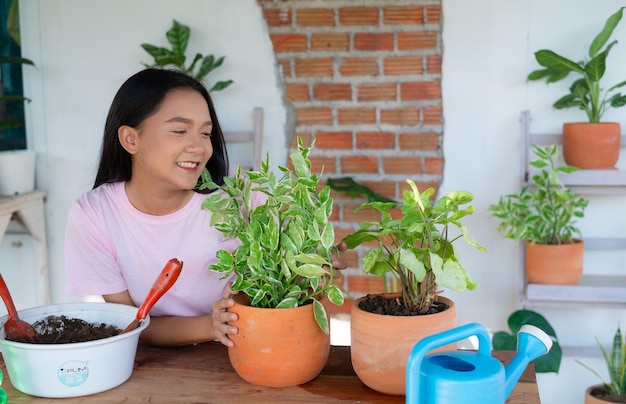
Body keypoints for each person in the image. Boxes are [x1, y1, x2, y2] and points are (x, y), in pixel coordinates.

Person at [65, 68, 344, 347]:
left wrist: (315, 267)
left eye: (206, 133)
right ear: (130, 139)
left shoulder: (240, 193)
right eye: (180, 130)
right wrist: (210, 325)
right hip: (153, 362)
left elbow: (281, 282)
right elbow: (130, 324)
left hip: (243, 347)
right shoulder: (94, 215)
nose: (199, 147)